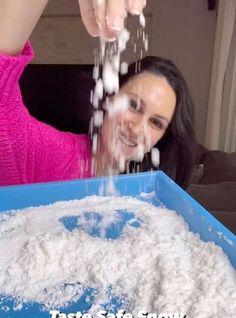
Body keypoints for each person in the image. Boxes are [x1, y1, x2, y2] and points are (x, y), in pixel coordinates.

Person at [0, 0, 196, 189]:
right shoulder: (56, 156)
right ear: (109, 99)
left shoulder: (151, 193)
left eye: (156, 123)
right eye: (134, 106)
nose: (137, 130)